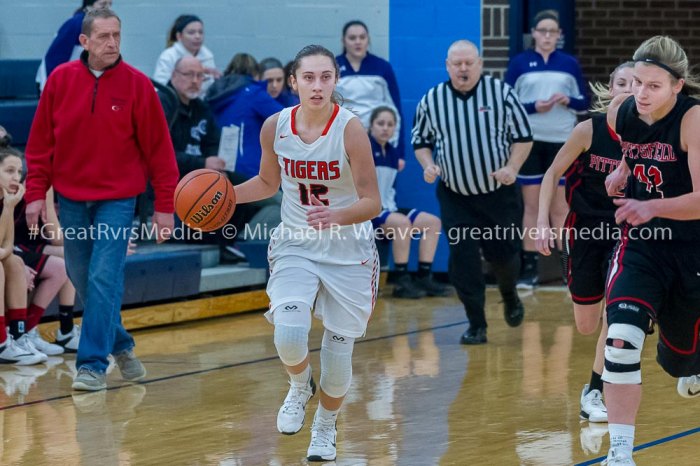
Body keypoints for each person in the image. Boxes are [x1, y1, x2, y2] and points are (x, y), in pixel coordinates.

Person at [234, 44, 381, 462]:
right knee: (290, 335)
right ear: (293, 81)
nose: (317, 86)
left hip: (349, 247)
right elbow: (266, 183)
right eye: (309, 78)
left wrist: (337, 214)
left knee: (338, 357)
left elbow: (372, 201)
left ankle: (325, 426)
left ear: (335, 81)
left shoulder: (350, 129)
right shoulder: (275, 127)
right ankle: (300, 386)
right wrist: (225, 195)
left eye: (326, 77)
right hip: (296, 241)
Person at [24, 8, 179, 391]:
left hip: (119, 200)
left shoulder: (138, 85)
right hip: (72, 199)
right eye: (104, 37)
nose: (112, 43)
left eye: (117, 36)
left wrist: (164, 208)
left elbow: (160, 151)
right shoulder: (60, 81)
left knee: (103, 276)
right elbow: (40, 146)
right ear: (85, 41)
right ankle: (122, 344)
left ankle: (92, 364)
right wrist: (33, 196)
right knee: (81, 277)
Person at [602, 36, 700, 465]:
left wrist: (650, 204)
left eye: (653, 86)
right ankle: (620, 453)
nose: (640, 93)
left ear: (677, 86)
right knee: (619, 342)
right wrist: (623, 171)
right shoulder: (621, 112)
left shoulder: (692, 120)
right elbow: (634, 152)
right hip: (643, 244)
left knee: (680, 359)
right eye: (637, 82)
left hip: (692, 249)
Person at [412, 40, 533, 345]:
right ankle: (476, 323)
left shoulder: (501, 93)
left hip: (498, 194)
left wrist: (512, 168)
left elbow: (523, 137)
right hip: (455, 196)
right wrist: (428, 165)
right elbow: (420, 141)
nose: (463, 69)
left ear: (480, 64)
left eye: (469, 63)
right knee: (463, 259)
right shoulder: (432, 99)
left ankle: (509, 294)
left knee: (504, 256)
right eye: (457, 64)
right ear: (447, 66)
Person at [535, 62, 634, 425]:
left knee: (618, 311)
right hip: (584, 231)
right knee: (587, 324)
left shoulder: (647, 135)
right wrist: (543, 222)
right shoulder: (587, 130)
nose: (628, 88)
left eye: (634, 83)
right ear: (609, 88)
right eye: (621, 82)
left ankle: (596, 388)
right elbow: (551, 174)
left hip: (627, 231)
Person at [505, 9, 589, 288]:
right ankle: (530, 269)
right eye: (543, 31)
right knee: (531, 206)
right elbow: (507, 104)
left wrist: (567, 99)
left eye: (553, 32)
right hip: (529, 141)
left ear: (559, 36)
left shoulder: (569, 63)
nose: (548, 36)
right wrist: (533, 107)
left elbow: (584, 102)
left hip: (562, 141)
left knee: (559, 206)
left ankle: (567, 268)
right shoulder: (519, 63)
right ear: (534, 34)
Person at [155, 55, 264, 260]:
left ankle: (229, 242)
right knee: (212, 193)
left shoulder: (200, 107)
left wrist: (214, 163)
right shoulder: (163, 103)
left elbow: (213, 142)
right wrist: (203, 164)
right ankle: (213, 244)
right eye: (189, 75)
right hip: (172, 178)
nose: (195, 81)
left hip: (200, 174)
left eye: (200, 76)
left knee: (243, 190)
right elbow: (160, 154)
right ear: (174, 75)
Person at [368, 105, 447, 299]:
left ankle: (423, 276)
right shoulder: (365, 148)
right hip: (369, 211)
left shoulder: (393, 152)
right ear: (371, 127)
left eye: (390, 124)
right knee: (402, 224)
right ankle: (401, 281)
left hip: (389, 207)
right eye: (380, 124)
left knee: (433, 222)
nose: (385, 128)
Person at [336, 20, 406, 167]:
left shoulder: (382, 67)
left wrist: (398, 152)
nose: (358, 42)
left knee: (379, 189)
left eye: (362, 37)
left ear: (368, 39)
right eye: (352, 38)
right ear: (343, 41)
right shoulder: (332, 67)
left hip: (378, 141)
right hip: (343, 140)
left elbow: (395, 110)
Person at [0, 148, 45, 366]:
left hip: (16, 248)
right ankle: (1, 342)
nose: (16, 177)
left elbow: (6, 245)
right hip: (27, 244)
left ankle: (17, 335)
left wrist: (8, 207)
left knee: (15, 263)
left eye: (19, 171)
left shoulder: (8, 199)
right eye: (9, 171)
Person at [35, 0, 113, 92]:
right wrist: (53, 88)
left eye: (110, 4)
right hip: (51, 82)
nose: (107, 8)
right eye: (103, 4)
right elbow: (54, 59)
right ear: (89, 6)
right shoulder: (75, 24)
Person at [153, 14, 220, 96]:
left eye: (200, 32)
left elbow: (210, 88)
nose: (197, 36)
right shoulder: (169, 56)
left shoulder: (208, 56)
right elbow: (160, 87)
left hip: (201, 104)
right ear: (179, 36)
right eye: (191, 33)